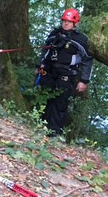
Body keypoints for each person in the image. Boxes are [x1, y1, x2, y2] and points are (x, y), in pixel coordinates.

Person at [36, 8, 93, 136]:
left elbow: (87, 61)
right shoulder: (54, 34)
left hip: (66, 75)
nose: (66, 24)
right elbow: (45, 52)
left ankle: (54, 133)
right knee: (46, 99)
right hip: (49, 72)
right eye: (64, 21)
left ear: (75, 24)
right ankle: (40, 126)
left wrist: (84, 81)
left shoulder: (81, 39)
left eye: (69, 22)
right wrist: (39, 66)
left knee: (60, 104)